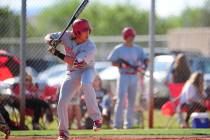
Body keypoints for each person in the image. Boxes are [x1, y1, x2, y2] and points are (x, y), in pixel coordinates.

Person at [44, 18, 102, 140]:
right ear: (75, 33)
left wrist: (57, 53)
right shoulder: (66, 35)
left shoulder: (90, 46)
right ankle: (63, 133)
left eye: (88, 31)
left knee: (86, 82)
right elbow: (47, 36)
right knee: (62, 102)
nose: (87, 34)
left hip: (87, 69)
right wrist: (51, 41)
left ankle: (96, 118)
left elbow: (76, 63)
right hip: (72, 72)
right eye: (84, 32)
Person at [107, 27, 148, 129]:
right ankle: (117, 124)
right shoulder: (119, 48)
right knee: (120, 100)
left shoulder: (138, 49)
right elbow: (112, 61)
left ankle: (128, 124)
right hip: (123, 75)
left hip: (134, 76)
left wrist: (142, 65)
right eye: (129, 36)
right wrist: (121, 65)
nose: (131, 38)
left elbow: (146, 60)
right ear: (125, 37)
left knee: (132, 101)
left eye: (132, 36)